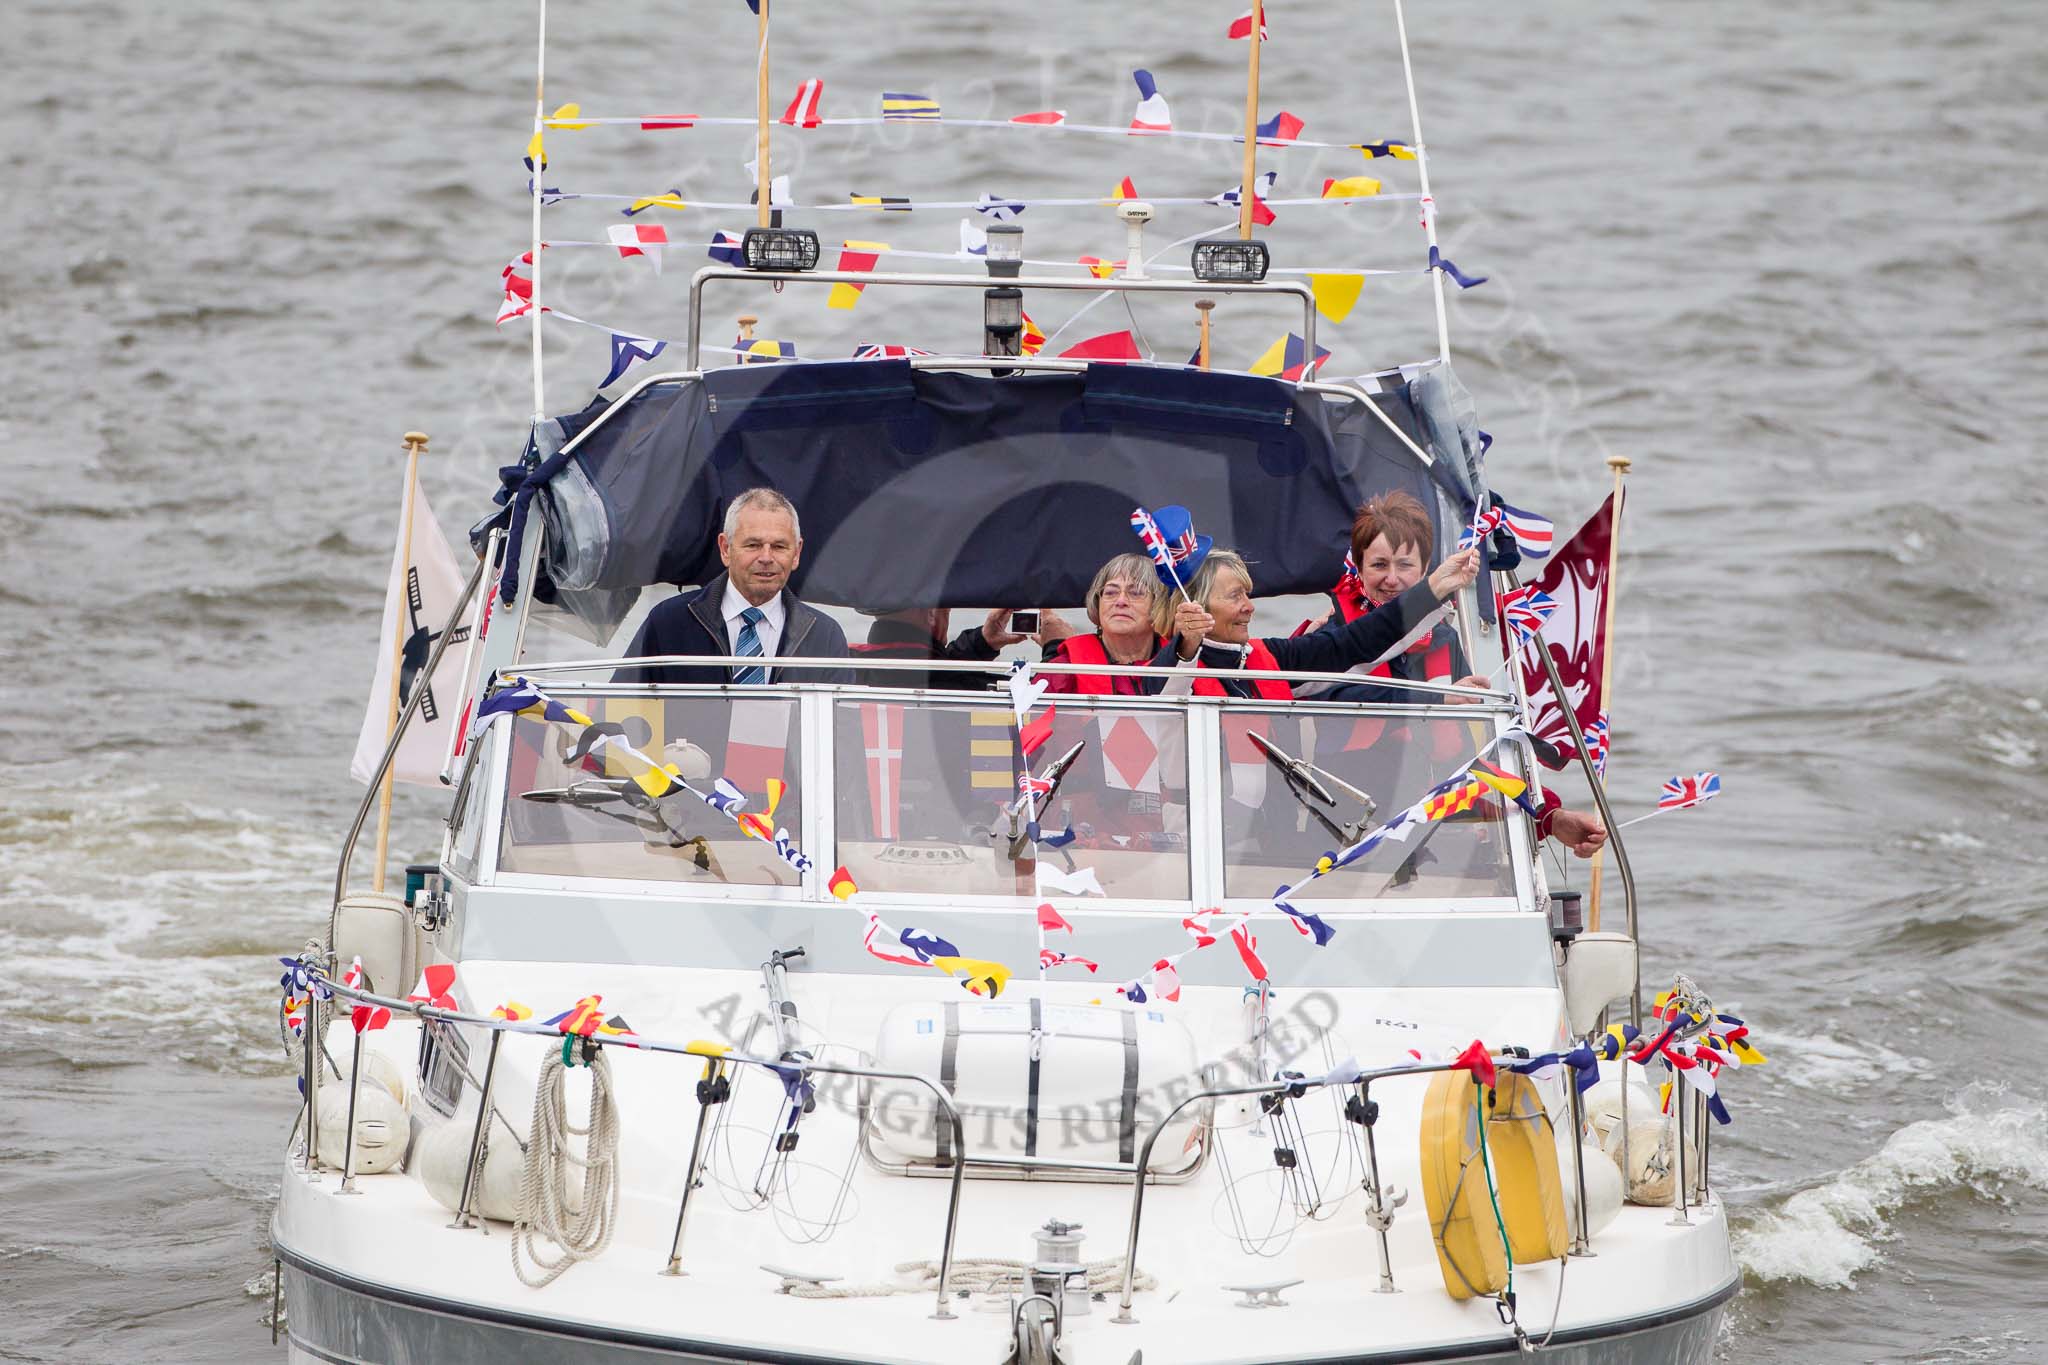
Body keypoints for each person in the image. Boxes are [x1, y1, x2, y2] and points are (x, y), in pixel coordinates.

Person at [1321, 489, 1608, 857]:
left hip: (1434, 835)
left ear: (1426, 572)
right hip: (1343, 838)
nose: (1391, 579)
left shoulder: (1443, 641)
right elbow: (1334, 697)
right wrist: (1434, 697)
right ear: (1358, 568)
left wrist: (1549, 816)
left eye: (1404, 565)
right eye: (1379, 565)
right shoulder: (1328, 639)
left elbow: (1479, 757)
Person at [1157, 546, 1482, 696]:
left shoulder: (1267, 659)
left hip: (1266, 832)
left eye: (1247, 595)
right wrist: (1187, 646)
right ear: (1194, 607)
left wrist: (1436, 585)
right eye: (1234, 597)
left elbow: (1356, 643)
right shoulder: (1161, 670)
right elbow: (1164, 697)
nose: (1249, 607)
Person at [614, 488, 851, 685]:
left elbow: (843, 734)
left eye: (779, 546)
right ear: (725, 548)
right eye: (753, 545)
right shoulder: (667, 623)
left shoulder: (825, 637)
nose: (766, 557)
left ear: (797, 553)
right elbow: (617, 719)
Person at [1041, 553, 1171, 695]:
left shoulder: (1182, 665)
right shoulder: (1063, 671)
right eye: (1110, 592)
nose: (1121, 601)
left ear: (1159, 605)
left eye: (1135, 593)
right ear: (1098, 602)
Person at [853, 607, 1074, 690]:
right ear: (931, 615)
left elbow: (935, 673)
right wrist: (1057, 647)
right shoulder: (959, 688)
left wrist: (981, 644)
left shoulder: (850, 665)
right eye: (945, 612)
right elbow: (1043, 699)